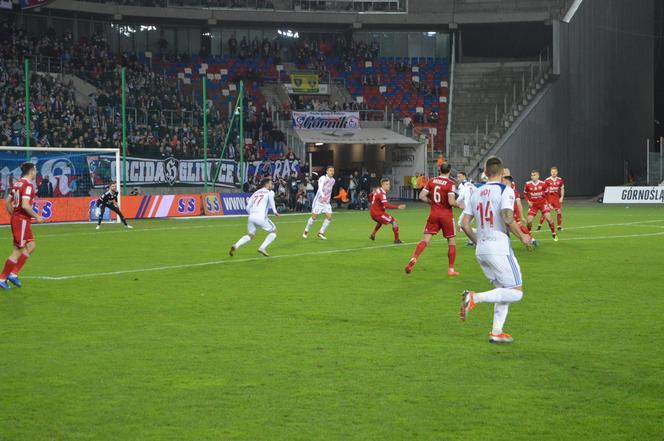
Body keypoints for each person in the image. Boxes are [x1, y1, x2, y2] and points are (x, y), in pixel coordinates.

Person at [459, 156, 533, 343]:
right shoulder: (505, 190)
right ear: (502, 173)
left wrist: (479, 242)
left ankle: (496, 332)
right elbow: (507, 218)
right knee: (516, 292)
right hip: (499, 248)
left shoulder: (476, 192)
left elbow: (465, 224)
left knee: (503, 289)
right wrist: (523, 236)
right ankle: (474, 297)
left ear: (485, 172)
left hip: (481, 249)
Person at [405, 162, 459, 276]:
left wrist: (432, 202)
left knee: (425, 240)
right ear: (449, 171)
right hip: (446, 216)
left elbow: (421, 196)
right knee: (451, 242)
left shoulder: (432, 181)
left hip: (433, 214)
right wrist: (460, 205)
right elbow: (451, 202)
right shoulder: (450, 184)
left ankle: (414, 258)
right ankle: (451, 269)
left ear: (439, 170)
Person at [0, 162, 44, 290]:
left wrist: (13, 214)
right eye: (35, 170)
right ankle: (2, 278)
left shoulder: (17, 183)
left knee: (31, 246)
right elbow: (25, 205)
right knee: (18, 250)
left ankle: (13, 274)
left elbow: (7, 201)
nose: (36, 172)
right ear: (31, 171)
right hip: (22, 221)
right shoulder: (28, 186)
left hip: (19, 219)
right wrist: (37, 216)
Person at [229, 177, 280, 257]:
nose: (272, 185)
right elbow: (272, 201)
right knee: (274, 231)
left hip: (251, 217)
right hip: (261, 217)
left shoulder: (255, 193)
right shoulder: (270, 192)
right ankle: (262, 248)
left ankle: (236, 245)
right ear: (266, 184)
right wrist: (275, 212)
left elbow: (247, 207)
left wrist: (252, 214)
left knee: (250, 235)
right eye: (271, 183)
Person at [502, 175, 537, 247]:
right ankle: (529, 240)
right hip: (508, 212)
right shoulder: (506, 190)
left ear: (506, 181)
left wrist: (521, 216)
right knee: (511, 227)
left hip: (513, 212)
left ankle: (531, 240)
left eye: (503, 181)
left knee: (517, 227)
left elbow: (519, 204)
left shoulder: (512, 191)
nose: (502, 182)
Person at [523, 170, 558, 241]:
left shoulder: (543, 184)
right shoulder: (528, 184)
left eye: (534, 175)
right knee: (529, 221)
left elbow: (547, 194)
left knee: (548, 218)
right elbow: (525, 193)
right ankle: (529, 234)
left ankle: (553, 233)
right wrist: (528, 201)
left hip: (542, 204)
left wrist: (548, 203)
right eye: (532, 175)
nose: (532, 176)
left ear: (538, 176)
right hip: (533, 205)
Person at [303, 165, 335, 240]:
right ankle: (306, 230)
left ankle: (321, 232)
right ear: (327, 171)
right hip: (319, 201)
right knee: (314, 217)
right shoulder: (323, 178)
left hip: (326, 203)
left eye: (333, 171)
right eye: (330, 170)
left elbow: (329, 191)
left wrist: (327, 199)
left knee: (329, 217)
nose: (332, 172)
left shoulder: (333, 180)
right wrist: (323, 196)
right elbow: (320, 188)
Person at [369, 178, 406, 243]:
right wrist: (397, 207)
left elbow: (370, 196)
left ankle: (373, 234)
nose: (389, 185)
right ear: (382, 185)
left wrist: (373, 198)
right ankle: (396, 240)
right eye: (387, 184)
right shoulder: (382, 194)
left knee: (380, 222)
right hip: (377, 213)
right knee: (394, 221)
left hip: (373, 213)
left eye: (389, 184)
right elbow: (386, 205)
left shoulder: (378, 190)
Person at [538, 166, 565, 231]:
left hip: (556, 199)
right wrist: (545, 200)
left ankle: (559, 226)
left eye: (555, 171)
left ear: (557, 172)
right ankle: (539, 226)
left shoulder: (560, 180)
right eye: (552, 172)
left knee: (559, 212)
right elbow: (543, 190)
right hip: (549, 199)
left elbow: (562, 189)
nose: (554, 173)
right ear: (550, 172)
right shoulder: (547, 180)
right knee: (545, 213)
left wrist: (561, 197)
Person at [455, 171, 477, 246]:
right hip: (474, 208)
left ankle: (480, 232)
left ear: (464, 176)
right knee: (466, 225)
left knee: (460, 227)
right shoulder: (471, 185)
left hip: (468, 209)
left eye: (459, 177)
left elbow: (461, 196)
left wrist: (455, 203)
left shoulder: (462, 185)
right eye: (457, 177)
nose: (458, 178)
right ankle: (471, 242)